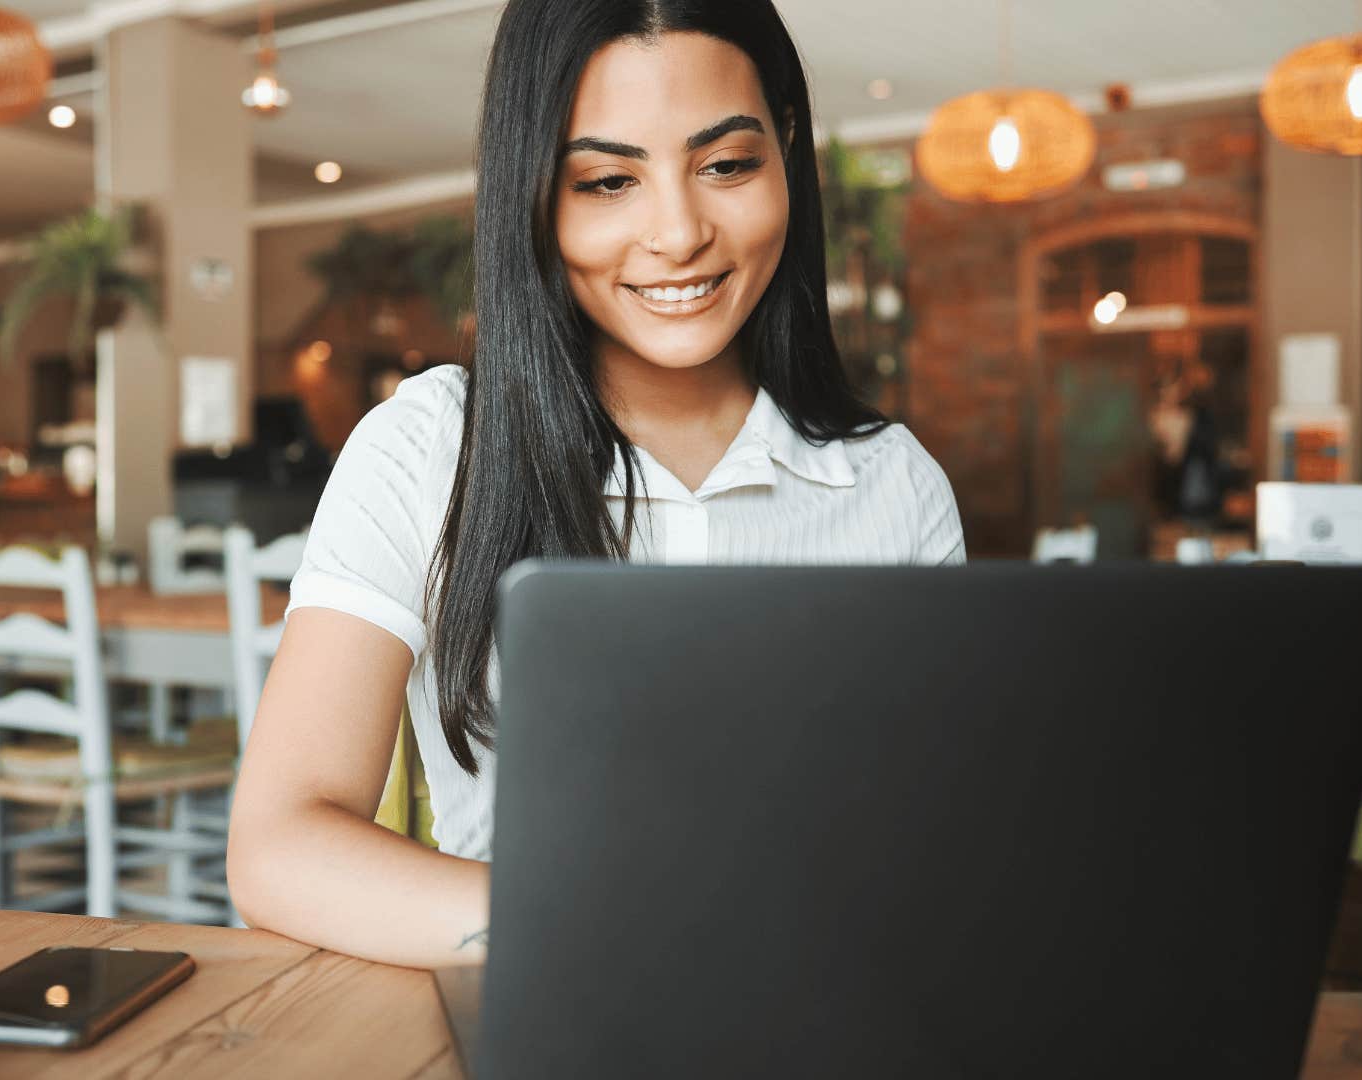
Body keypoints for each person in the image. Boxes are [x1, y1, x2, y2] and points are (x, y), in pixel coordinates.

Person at [227, 0, 964, 968]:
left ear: (787, 151)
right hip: (539, 1007)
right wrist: (617, 938)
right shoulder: (433, 444)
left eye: (727, 165)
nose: (677, 233)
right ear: (532, 192)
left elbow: (944, 839)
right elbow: (280, 846)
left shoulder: (892, 481)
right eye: (608, 180)